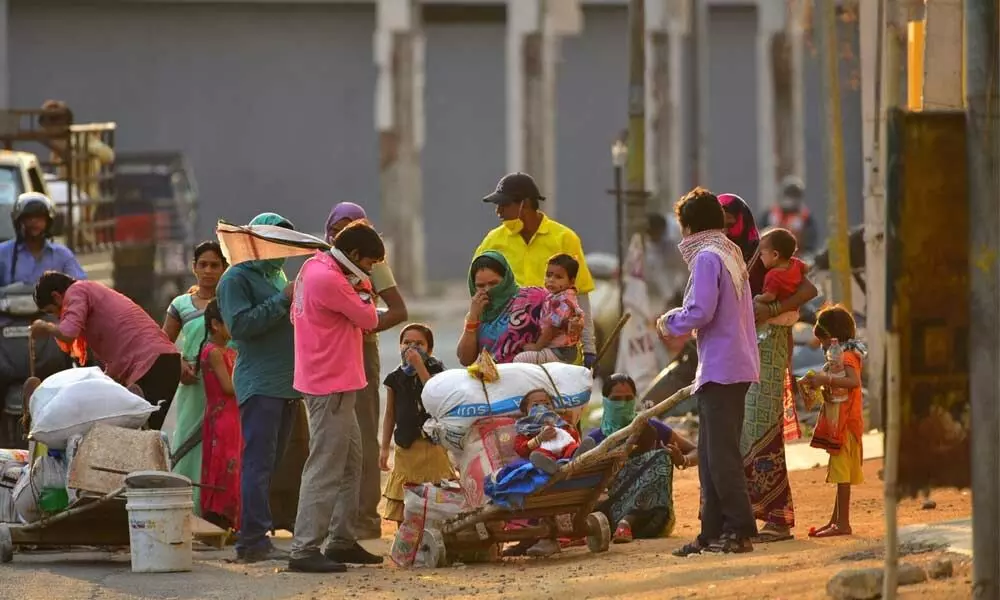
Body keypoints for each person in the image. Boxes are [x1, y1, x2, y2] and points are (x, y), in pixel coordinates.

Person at [656, 187, 759, 556]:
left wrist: (669, 322)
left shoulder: (706, 258)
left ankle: (739, 529)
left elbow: (700, 311)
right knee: (713, 455)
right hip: (735, 363)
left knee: (721, 457)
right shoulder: (730, 252)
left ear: (689, 226)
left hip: (722, 366)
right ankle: (711, 532)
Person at [287, 221, 386, 573]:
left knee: (350, 464)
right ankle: (304, 548)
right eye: (370, 262)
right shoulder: (328, 278)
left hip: (335, 380)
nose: (371, 268)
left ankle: (341, 540)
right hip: (330, 384)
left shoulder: (313, 268)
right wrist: (366, 287)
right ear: (356, 256)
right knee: (326, 466)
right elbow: (369, 317)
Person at [720, 193, 818, 544]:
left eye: (730, 221)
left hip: (766, 351)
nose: (725, 228)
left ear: (741, 220)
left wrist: (774, 309)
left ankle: (777, 517)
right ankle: (742, 516)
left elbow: (808, 288)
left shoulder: (762, 252)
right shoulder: (720, 253)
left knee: (762, 429)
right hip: (736, 353)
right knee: (738, 434)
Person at [216, 212, 297, 563]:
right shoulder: (236, 278)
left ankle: (259, 531)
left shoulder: (276, 274)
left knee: (273, 462)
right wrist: (283, 300)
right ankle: (251, 539)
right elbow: (240, 326)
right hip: (260, 382)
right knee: (258, 462)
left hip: (287, 383)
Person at [325, 201, 407, 539]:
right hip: (328, 354)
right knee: (331, 435)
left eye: (349, 226)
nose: (341, 234)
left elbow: (398, 310)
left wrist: (366, 326)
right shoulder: (322, 264)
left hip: (361, 352)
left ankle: (365, 515)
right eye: (336, 229)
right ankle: (336, 515)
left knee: (363, 430)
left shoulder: (374, 265)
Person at [474, 172, 598, 367]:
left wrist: (589, 349)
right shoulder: (492, 241)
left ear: (525, 204)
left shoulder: (564, 238)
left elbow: (579, 296)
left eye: (504, 205)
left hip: (554, 340)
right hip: (506, 342)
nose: (498, 211)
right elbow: (478, 294)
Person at [29, 272, 181, 427]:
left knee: (142, 432)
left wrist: (45, 327)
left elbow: (68, 333)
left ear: (56, 297)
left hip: (152, 364)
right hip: (159, 362)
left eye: (51, 311)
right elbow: (115, 356)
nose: (57, 317)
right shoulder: (90, 292)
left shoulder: (77, 291)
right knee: (144, 430)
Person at [588, 373, 696, 544]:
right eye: (616, 399)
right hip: (609, 517)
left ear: (635, 400)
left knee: (661, 457)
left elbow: (695, 450)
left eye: (628, 398)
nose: (622, 404)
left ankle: (629, 521)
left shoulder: (651, 428)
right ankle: (623, 522)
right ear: (605, 401)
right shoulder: (595, 440)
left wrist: (682, 460)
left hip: (653, 518)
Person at [162, 241, 228, 513]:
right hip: (193, 385)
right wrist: (178, 364)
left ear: (225, 269)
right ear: (194, 268)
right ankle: (187, 510)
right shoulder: (180, 304)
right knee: (188, 442)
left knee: (223, 443)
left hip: (225, 384)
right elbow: (163, 343)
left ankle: (218, 511)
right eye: (203, 265)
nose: (209, 271)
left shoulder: (230, 303)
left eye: (215, 265)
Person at [801, 306, 865, 538]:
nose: (825, 347)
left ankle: (843, 523)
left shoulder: (847, 356)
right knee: (840, 472)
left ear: (833, 338)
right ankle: (835, 520)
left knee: (842, 475)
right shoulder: (842, 355)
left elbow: (853, 381)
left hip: (846, 422)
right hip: (842, 421)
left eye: (825, 342)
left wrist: (824, 378)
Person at [379, 323, 453, 524]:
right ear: (400, 347)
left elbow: (435, 393)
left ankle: (437, 530)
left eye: (419, 343)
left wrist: (420, 366)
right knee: (404, 493)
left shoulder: (437, 369)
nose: (412, 347)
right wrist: (385, 448)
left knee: (438, 490)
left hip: (433, 444)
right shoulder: (395, 377)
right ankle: (406, 538)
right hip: (406, 445)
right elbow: (390, 413)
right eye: (407, 343)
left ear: (429, 349)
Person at [196, 299, 241, 532]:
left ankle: (229, 519)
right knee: (225, 466)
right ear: (215, 324)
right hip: (224, 416)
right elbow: (227, 387)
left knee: (230, 466)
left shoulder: (228, 349)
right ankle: (221, 518)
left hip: (230, 415)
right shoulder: (213, 352)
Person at [457, 251, 547, 366]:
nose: (488, 290)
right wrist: (473, 319)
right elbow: (465, 359)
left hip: (532, 376)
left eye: (494, 283)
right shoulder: (477, 314)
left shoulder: (534, 298)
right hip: (495, 379)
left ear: (506, 279)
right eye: (481, 286)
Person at [0, 193, 86, 287]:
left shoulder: (62, 255)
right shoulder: (3, 253)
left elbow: (80, 288)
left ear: (48, 222)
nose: (34, 221)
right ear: (19, 221)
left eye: (39, 217)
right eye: (29, 217)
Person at [514, 253, 584, 364]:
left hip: (561, 352)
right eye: (548, 275)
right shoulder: (554, 296)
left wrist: (537, 347)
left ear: (571, 281)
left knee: (521, 359)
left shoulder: (564, 300)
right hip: (553, 348)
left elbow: (552, 327)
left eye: (558, 277)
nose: (551, 280)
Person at [513, 389, 593, 474]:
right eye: (535, 405)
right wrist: (539, 439)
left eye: (547, 404)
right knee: (537, 454)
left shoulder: (561, 422)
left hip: (566, 452)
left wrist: (565, 429)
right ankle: (552, 467)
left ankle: (578, 456)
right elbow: (520, 449)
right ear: (526, 411)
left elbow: (574, 438)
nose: (542, 407)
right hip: (546, 455)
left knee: (572, 447)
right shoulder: (525, 428)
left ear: (553, 408)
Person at [759, 176, 817, 254]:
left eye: (794, 196)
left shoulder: (805, 217)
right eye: (789, 196)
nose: (790, 201)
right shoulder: (770, 215)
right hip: (770, 259)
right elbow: (759, 233)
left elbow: (810, 242)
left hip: (796, 258)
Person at [753, 228, 807, 305]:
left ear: (775, 255)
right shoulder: (795, 262)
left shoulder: (773, 275)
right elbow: (806, 268)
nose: (760, 257)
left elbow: (770, 296)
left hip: (780, 314)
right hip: (794, 311)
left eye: (761, 254)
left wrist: (757, 298)